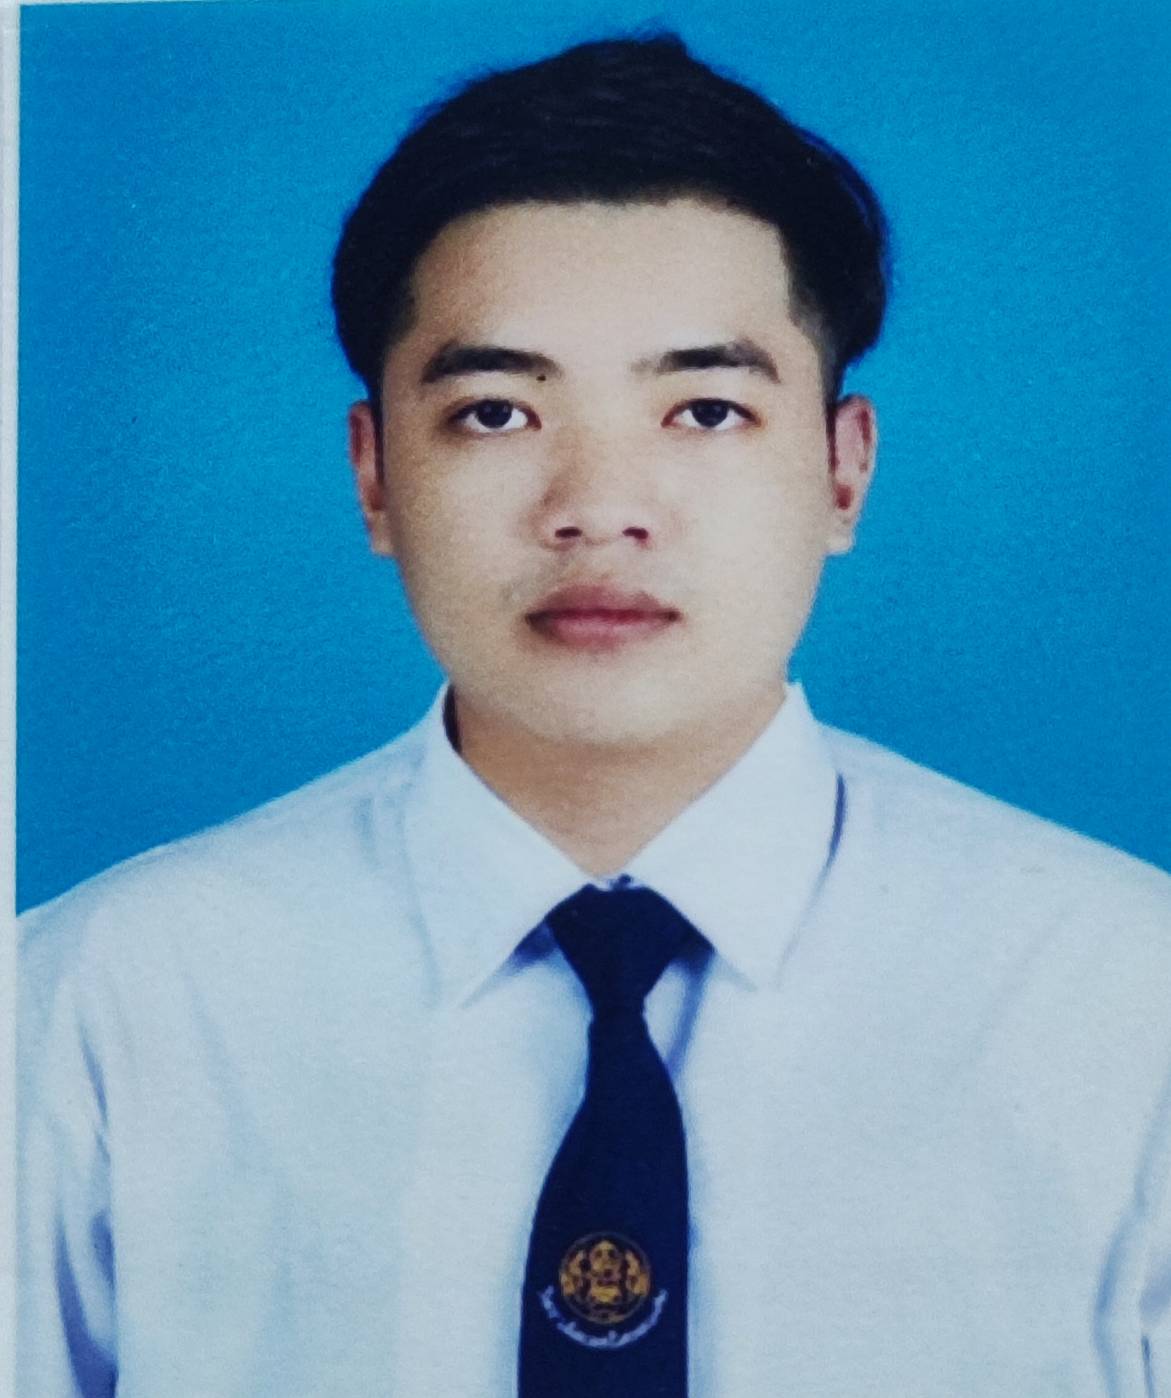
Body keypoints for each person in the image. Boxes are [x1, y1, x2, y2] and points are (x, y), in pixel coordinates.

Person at [18, 30, 1171, 1398]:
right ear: (374, 477)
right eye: (497, 413)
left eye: (706, 410)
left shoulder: (1126, 1004)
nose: (599, 506)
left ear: (843, 471)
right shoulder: (99, 1004)